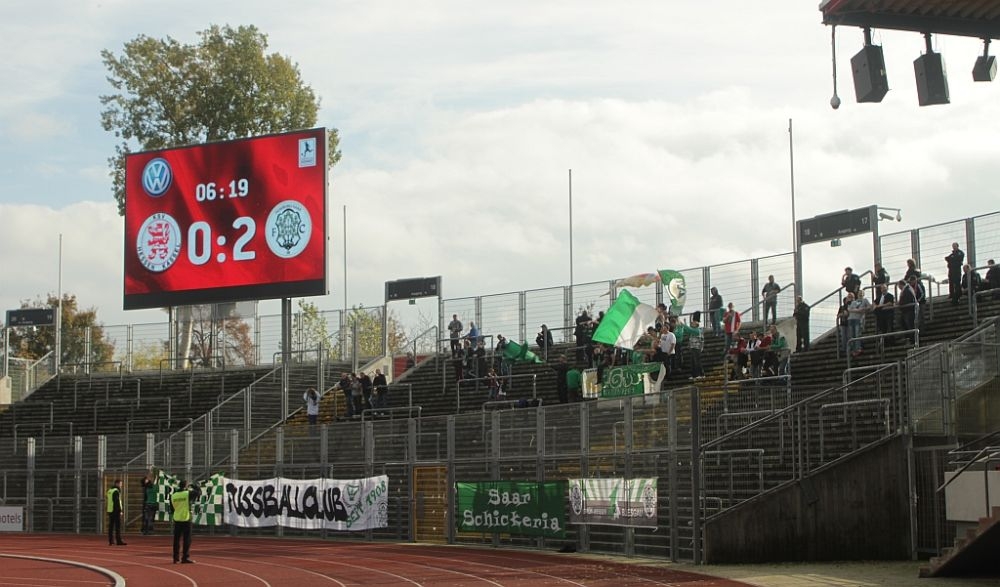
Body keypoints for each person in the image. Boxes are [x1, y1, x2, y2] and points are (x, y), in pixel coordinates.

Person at [171, 479, 201, 564]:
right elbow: (198, 492)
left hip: (177, 518)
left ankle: (175, 558)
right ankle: (185, 557)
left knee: (176, 539)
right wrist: (193, 485)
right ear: (186, 486)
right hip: (186, 518)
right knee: (187, 539)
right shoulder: (187, 493)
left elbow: (172, 508)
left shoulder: (173, 495)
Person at [106, 479, 126, 546]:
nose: (121, 485)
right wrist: (120, 511)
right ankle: (118, 541)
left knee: (111, 526)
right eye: (120, 484)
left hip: (110, 510)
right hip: (115, 511)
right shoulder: (116, 491)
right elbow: (116, 502)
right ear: (117, 484)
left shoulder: (109, 490)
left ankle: (111, 540)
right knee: (117, 526)